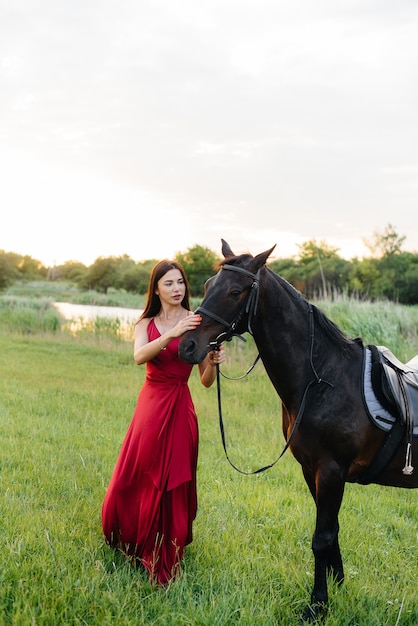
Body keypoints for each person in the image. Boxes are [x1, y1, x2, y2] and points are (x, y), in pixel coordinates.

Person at [102, 259, 225, 585]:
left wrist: (212, 361)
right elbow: (139, 356)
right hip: (151, 405)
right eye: (169, 283)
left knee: (174, 477)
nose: (176, 289)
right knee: (140, 470)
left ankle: (167, 546)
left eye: (180, 282)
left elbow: (205, 381)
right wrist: (171, 333)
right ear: (156, 288)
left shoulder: (197, 321)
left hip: (180, 404)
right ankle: (131, 534)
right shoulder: (145, 323)